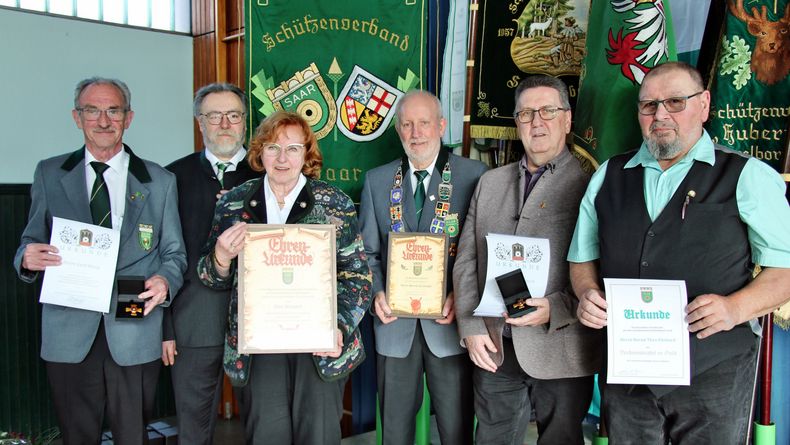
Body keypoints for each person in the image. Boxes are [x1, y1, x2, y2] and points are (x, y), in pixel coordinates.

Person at [568, 61, 790, 443]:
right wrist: (586, 292)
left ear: (704, 105)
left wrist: (734, 308)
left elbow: (784, 270)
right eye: (648, 105)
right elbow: (581, 258)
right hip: (629, 367)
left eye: (675, 102)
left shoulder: (746, 174)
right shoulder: (607, 175)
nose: (660, 115)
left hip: (713, 368)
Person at [13, 77, 187, 444]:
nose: (104, 120)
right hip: (68, 328)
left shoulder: (160, 180)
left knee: (131, 435)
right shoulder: (49, 173)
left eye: (113, 110)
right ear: (77, 118)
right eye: (93, 110)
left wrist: (166, 280)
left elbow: (174, 253)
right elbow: (30, 238)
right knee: (78, 435)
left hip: (134, 324)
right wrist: (27, 258)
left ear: (129, 117)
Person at [196, 111, 371, 444]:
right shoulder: (235, 203)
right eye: (273, 148)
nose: (282, 158)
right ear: (260, 152)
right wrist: (220, 257)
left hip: (321, 347)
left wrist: (338, 327)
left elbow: (358, 279)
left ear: (306, 154)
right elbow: (211, 276)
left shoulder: (334, 204)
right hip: (259, 347)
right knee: (266, 436)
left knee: (317, 436)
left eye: (292, 149)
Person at [453, 75, 601, 445]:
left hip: (563, 348)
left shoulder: (592, 184)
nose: (537, 122)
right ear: (516, 122)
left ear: (567, 120)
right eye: (526, 113)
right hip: (495, 347)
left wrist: (557, 308)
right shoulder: (491, 183)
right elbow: (468, 260)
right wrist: (471, 328)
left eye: (548, 111)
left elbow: (604, 267)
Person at [359, 90, 487, 445]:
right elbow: (367, 253)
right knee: (395, 432)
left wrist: (460, 298)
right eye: (407, 124)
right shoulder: (377, 180)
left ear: (441, 126)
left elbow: (482, 252)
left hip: (449, 326)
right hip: (394, 326)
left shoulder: (474, 175)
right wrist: (376, 294)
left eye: (424, 123)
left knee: (456, 427)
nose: (416, 133)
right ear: (399, 130)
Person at [161, 82, 258, 444]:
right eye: (213, 116)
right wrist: (165, 327)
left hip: (257, 323)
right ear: (199, 122)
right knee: (193, 428)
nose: (224, 124)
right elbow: (162, 256)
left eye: (233, 115)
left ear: (244, 122)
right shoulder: (172, 178)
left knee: (265, 423)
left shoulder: (268, 173)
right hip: (192, 321)